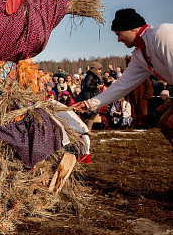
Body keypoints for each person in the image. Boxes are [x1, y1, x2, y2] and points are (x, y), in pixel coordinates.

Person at [74, 9, 173, 148]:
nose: (118, 39)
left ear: (132, 28)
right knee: (165, 123)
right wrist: (89, 104)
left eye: (119, 34)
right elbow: (122, 85)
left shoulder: (161, 34)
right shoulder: (139, 55)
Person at [76, 62, 104, 131]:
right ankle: (86, 129)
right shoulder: (90, 76)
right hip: (87, 96)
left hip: (91, 95)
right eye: (99, 69)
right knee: (90, 113)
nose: (100, 71)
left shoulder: (93, 76)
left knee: (91, 114)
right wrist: (96, 87)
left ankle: (87, 129)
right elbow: (86, 86)